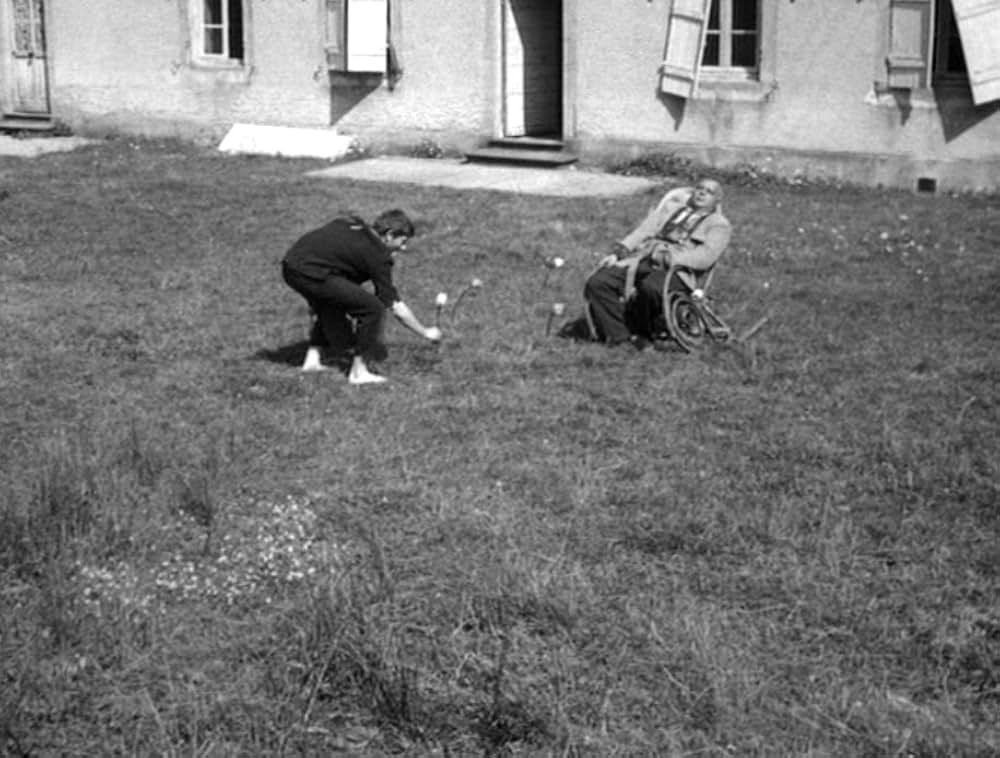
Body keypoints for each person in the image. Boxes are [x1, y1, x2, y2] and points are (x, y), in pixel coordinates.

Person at [281, 209, 442, 384]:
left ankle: (312, 361)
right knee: (372, 308)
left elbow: (332, 245)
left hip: (291, 265)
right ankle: (359, 372)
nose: (404, 248)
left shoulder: (352, 224)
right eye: (402, 241)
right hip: (311, 271)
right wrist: (425, 332)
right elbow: (394, 304)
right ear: (388, 235)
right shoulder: (378, 255)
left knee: (327, 302)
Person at [579, 178, 731, 348]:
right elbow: (644, 230)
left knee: (650, 288)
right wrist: (619, 252)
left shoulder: (718, 225)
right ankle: (620, 337)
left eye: (709, 192)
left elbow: (706, 256)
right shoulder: (671, 210)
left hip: (678, 271)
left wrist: (671, 258)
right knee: (599, 282)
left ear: (717, 200)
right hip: (644, 259)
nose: (702, 193)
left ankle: (642, 332)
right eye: (699, 188)